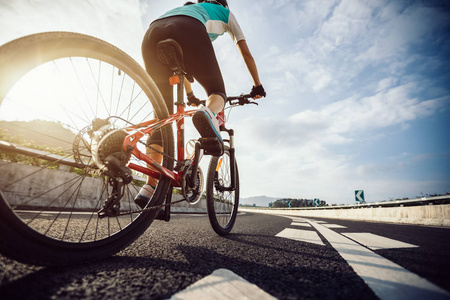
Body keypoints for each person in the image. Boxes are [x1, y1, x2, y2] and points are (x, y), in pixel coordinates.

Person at [136, 0, 266, 209]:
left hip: (152, 33)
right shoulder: (225, 13)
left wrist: (190, 94)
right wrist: (257, 86)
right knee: (217, 93)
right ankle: (207, 113)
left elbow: (180, 65)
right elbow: (245, 52)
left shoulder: (188, 8)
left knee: (161, 118)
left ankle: (150, 186)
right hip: (189, 29)